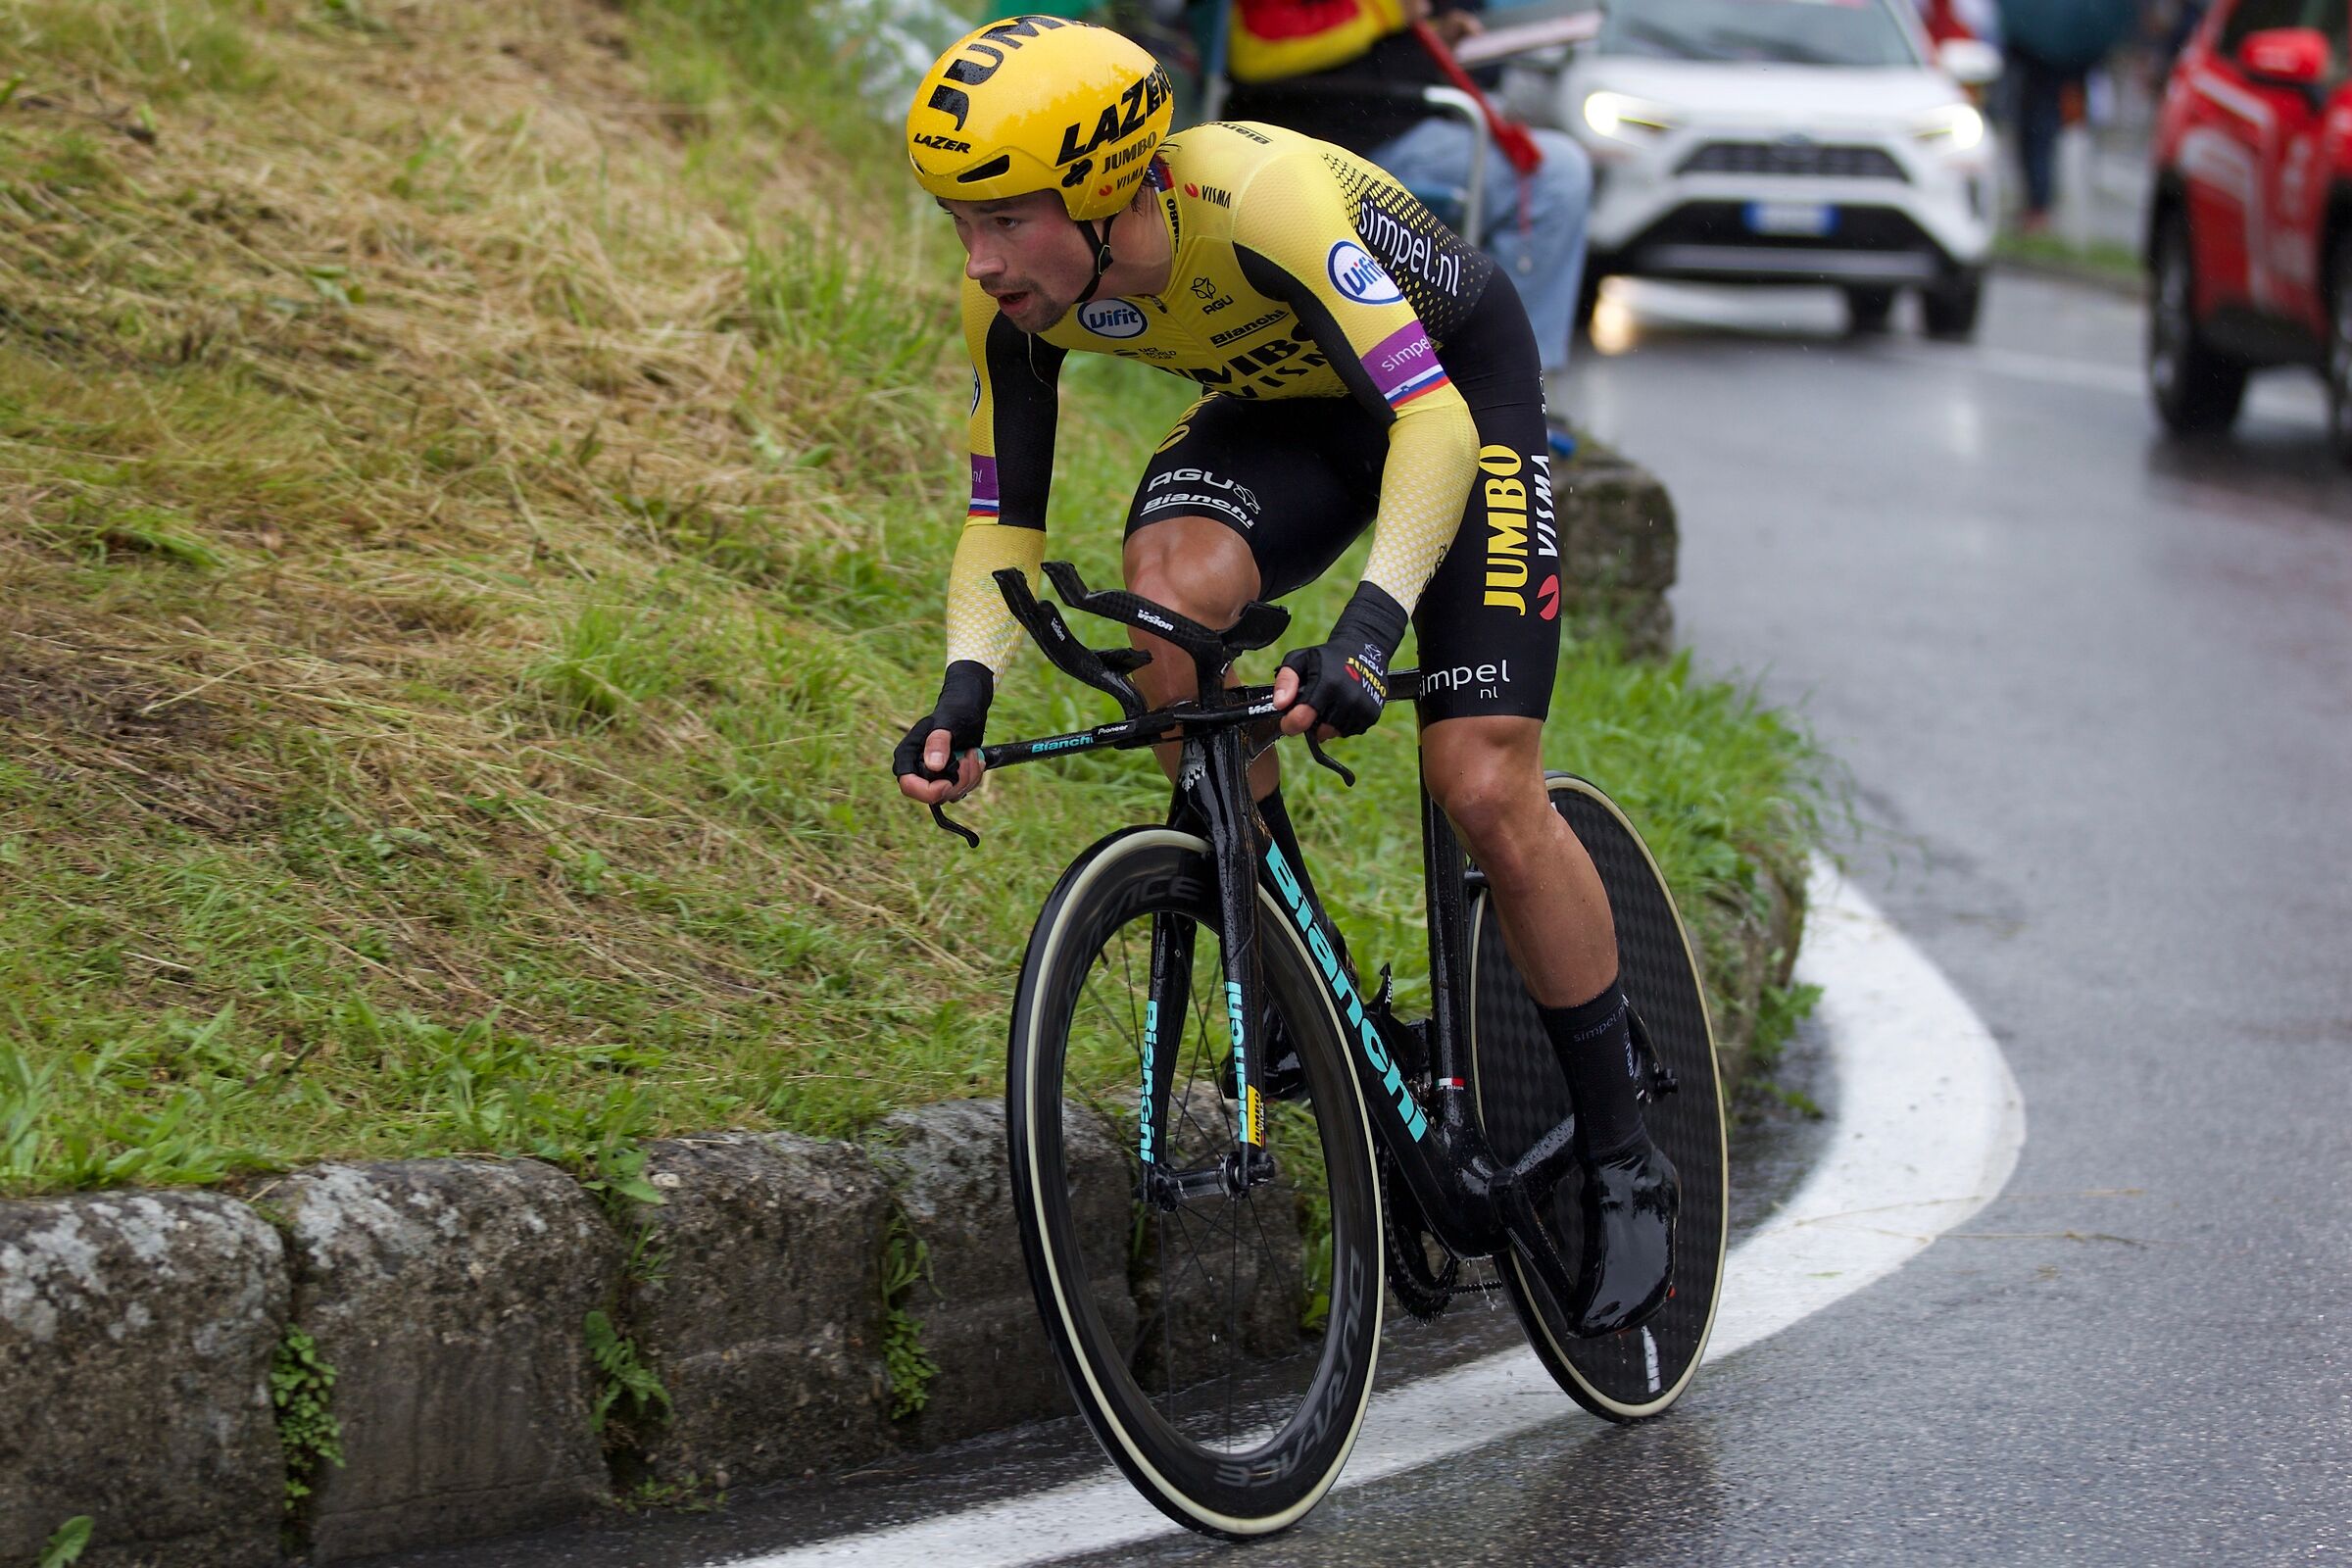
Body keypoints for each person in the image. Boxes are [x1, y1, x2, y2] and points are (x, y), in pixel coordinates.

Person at [892, 16, 1674, 1337]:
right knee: (1164, 609)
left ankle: (1621, 1148)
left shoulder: (1263, 199)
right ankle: (1299, 977)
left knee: (1478, 777)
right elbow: (999, 526)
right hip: (1291, 404)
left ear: (1097, 191)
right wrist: (964, 688)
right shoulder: (1014, 297)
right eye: (960, 218)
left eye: (1007, 216)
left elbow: (1426, 422)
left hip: (1450, 394)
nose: (977, 256)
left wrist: (1368, 630)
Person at [1219, 0, 1594, 447]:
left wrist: (1431, 31)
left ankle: (1497, 387)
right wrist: (1388, 13)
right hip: (1346, 134)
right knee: (1558, 175)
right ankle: (1512, 391)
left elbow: (1355, 38)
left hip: (1393, 119)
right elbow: (1254, 52)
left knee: (1552, 166)